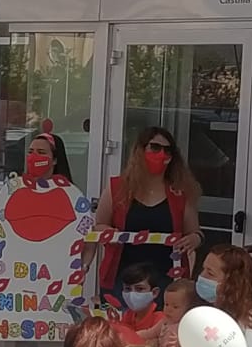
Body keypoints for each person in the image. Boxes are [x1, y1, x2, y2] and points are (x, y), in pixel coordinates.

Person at [0, 127, 73, 347]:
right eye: (31, 151)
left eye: (41, 152)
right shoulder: (11, 190)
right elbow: (0, 234)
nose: (34, 156)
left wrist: (74, 273)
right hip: (13, 289)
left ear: (55, 159)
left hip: (52, 293)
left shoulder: (71, 195)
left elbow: (83, 240)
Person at [87, 126, 203, 307]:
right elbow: (99, 225)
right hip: (121, 277)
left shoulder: (180, 192)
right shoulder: (116, 188)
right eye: (155, 147)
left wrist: (193, 239)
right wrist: (110, 234)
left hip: (166, 280)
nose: (161, 154)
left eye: (167, 150)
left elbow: (195, 233)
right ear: (140, 150)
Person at [138, 278, 197, 347]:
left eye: (175, 307)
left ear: (189, 309)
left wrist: (181, 344)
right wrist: (132, 336)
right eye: (166, 304)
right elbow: (149, 333)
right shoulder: (165, 322)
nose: (168, 309)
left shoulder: (188, 326)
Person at [116, 263, 165, 330]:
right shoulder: (128, 314)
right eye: (128, 289)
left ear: (154, 293)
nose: (132, 294)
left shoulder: (160, 318)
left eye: (140, 289)